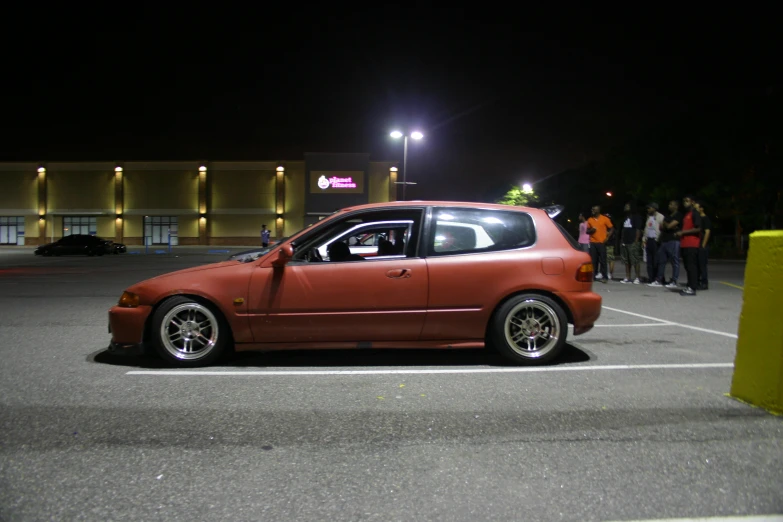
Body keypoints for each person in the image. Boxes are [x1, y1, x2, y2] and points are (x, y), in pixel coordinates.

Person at [647, 200, 681, 288]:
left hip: (673, 240)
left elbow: (669, 226)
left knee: (674, 261)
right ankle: (659, 280)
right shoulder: (668, 216)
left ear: (676, 206)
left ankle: (674, 280)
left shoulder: (678, 215)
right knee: (661, 261)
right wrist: (667, 225)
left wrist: (666, 225)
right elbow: (661, 227)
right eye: (669, 204)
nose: (669, 206)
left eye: (671, 204)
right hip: (664, 240)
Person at [676, 195, 702, 296]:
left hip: (692, 243)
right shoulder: (687, 214)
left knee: (691, 266)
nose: (685, 203)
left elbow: (698, 228)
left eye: (687, 201)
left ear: (692, 202)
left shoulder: (695, 213)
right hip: (685, 244)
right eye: (684, 201)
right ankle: (689, 285)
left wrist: (683, 232)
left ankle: (692, 288)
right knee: (687, 266)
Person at [586, 205, 613, 283]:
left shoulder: (605, 219)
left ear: (598, 210)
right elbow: (587, 231)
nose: (592, 210)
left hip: (601, 242)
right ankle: (593, 276)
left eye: (594, 209)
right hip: (593, 242)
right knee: (593, 260)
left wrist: (607, 237)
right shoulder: (590, 219)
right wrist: (591, 230)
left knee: (603, 260)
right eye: (592, 209)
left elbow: (611, 228)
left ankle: (605, 277)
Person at [619, 202, 644, 284]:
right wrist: (622, 240)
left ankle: (637, 277)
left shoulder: (636, 217)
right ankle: (628, 277)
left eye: (627, 206)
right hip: (625, 242)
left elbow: (638, 229)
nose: (625, 207)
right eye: (625, 205)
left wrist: (636, 241)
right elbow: (622, 229)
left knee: (635, 260)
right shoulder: (625, 218)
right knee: (626, 261)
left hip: (633, 241)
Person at [642, 202, 664, 283]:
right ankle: (651, 278)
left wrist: (659, 240)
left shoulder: (660, 216)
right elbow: (646, 228)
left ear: (654, 208)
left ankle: (657, 278)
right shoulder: (648, 217)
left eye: (649, 208)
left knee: (656, 261)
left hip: (655, 240)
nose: (648, 209)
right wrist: (644, 239)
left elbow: (661, 229)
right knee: (649, 261)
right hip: (649, 240)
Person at [693, 199, 711, 290]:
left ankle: (704, 283)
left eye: (696, 207)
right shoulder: (698, 219)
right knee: (697, 264)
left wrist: (703, 244)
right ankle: (698, 281)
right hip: (697, 244)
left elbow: (707, 232)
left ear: (701, 208)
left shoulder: (705, 218)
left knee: (702, 265)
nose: (695, 209)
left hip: (702, 245)